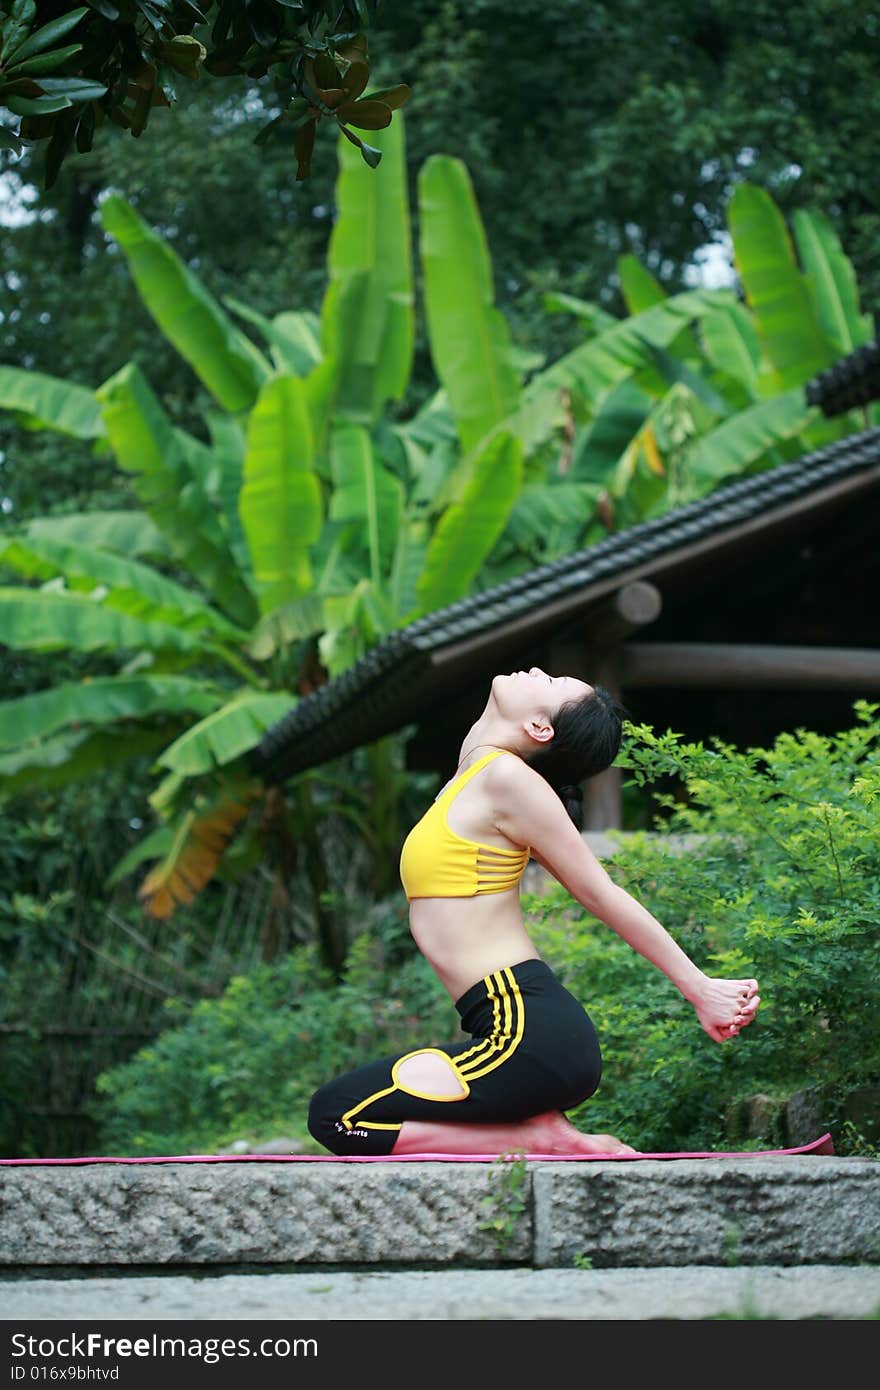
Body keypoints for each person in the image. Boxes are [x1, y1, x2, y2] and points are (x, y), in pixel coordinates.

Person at [308, 667, 760, 1157]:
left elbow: (601, 893)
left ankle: (536, 1138)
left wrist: (700, 987)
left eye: (552, 684)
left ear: (540, 729)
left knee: (340, 1117)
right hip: (515, 1030)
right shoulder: (477, 778)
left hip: (524, 1031)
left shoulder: (506, 780)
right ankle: (538, 1128)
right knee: (342, 1115)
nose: (539, 671)